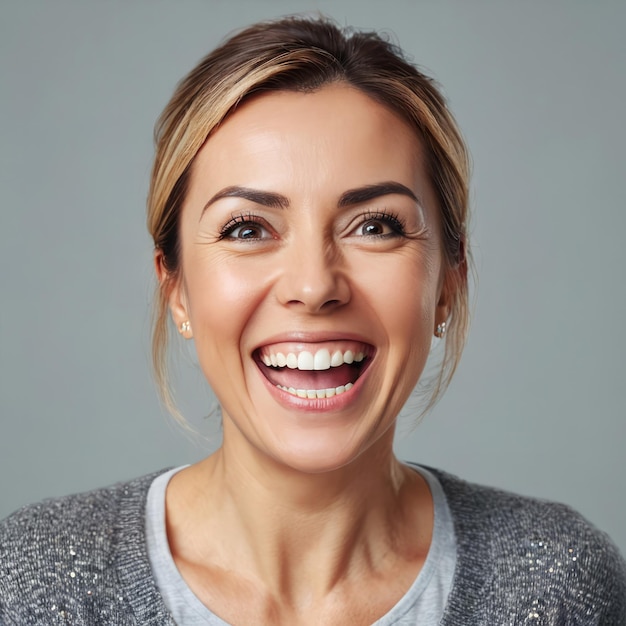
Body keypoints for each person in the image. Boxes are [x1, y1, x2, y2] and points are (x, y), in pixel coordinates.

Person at [1, 15, 624, 626]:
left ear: (447, 285)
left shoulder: (561, 585)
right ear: (177, 289)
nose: (313, 285)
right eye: (247, 229)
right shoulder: (28, 583)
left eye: (375, 226)